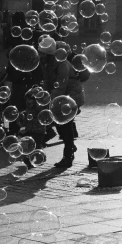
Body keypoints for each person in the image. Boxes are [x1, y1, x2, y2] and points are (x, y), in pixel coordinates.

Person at [38, 38, 89, 169]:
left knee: (65, 126)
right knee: (60, 124)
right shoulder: (46, 63)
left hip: (71, 97)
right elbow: (49, 82)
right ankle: (70, 145)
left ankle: (68, 156)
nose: (40, 55)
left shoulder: (62, 64)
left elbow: (61, 85)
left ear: (49, 54)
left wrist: (48, 100)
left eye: (42, 53)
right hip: (61, 97)